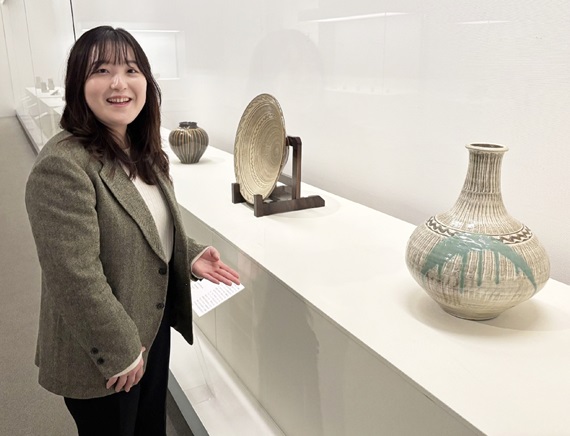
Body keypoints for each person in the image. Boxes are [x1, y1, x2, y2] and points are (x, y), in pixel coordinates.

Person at [25, 26, 240, 436]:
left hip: (150, 327)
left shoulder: (143, 151)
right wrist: (120, 350)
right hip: (103, 350)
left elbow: (142, 223)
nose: (119, 83)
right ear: (78, 83)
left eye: (130, 70)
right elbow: (74, 275)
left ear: (146, 82)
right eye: (101, 71)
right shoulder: (63, 165)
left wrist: (189, 252)